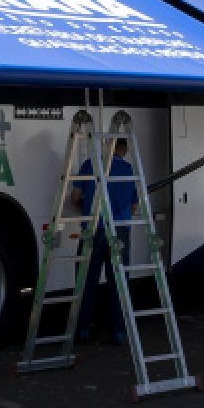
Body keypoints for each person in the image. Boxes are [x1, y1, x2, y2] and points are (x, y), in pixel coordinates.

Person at [70, 138, 139, 345]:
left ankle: (83, 329)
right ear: (123, 150)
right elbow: (134, 207)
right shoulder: (128, 170)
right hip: (120, 231)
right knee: (118, 283)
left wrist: (85, 209)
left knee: (86, 281)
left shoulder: (89, 165)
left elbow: (75, 196)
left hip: (93, 229)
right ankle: (118, 330)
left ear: (108, 146)